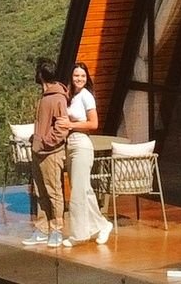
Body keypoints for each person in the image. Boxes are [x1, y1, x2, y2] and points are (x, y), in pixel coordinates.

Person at [56, 62, 114, 246]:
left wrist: (71, 125)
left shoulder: (87, 96)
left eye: (82, 76)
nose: (79, 79)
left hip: (81, 144)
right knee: (83, 189)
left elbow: (93, 123)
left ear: (87, 78)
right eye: (76, 75)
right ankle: (102, 225)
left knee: (78, 192)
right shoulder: (72, 96)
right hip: (71, 144)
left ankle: (78, 235)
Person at [22, 58, 70, 248]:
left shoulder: (58, 98)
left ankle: (56, 230)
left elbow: (62, 128)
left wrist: (45, 142)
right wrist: (36, 140)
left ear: (41, 75)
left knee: (53, 192)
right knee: (40, 192)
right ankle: (42, 229)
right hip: (39, 152)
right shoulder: (45, 97)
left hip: (51, 153)